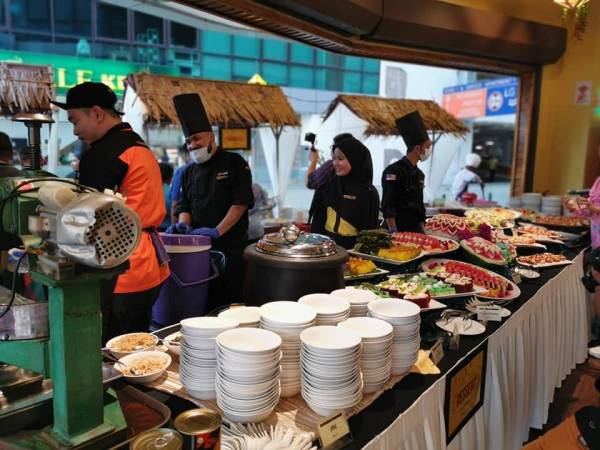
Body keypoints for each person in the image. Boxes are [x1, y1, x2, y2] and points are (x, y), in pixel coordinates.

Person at [51, 81, 170, 341]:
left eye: (75, 120)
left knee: (110, 352)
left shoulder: (104, 155)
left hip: (120, 269)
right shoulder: (137, 146)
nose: (75, 131)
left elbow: (85, 221)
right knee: (136, 345)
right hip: (149, 264)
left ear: (96, 113)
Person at [168, 93, 254, 305]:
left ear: (211, 137)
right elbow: (185, 204)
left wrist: (217, 231)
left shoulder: (234, 162)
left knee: (231, 302)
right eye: (188, 141)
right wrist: (182, 225)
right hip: (198, 250)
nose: (192, 145)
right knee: (203, 301)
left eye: (196, 139)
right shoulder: (188, 172)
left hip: (231, 248)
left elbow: (241, 202)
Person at [309, 135, 379, 249]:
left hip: (354, 253)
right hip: (326, 249)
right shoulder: (328, 187)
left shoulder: (368, 193)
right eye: (334, 159)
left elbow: (369, 235)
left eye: (340, 159)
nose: (335, 163)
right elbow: (317, 223)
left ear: (354, 159)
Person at [381, 111, 431, 233]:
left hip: (414, 230)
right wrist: (393, 231)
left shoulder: (420, 174)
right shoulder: (393, 171)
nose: (429, 150)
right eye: (428, 147)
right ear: (418, 149)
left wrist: (423, 231)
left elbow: (420, 207)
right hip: (397, 230)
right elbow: (388, 204)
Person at [159, 163, 174, 231]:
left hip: (148, 230)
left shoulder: (147, 189)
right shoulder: (171, 192)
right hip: (166, 229)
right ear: (170, 177)